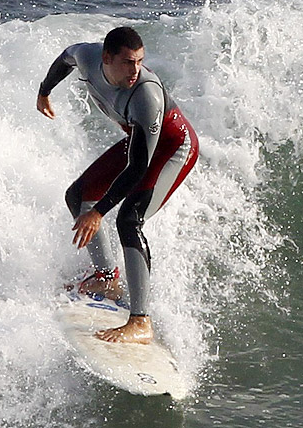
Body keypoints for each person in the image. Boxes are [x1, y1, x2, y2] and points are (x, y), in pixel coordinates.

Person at [37, 27, 198, 344]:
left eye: (139, 61)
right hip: (141, 140)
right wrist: (44, 91)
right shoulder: (88, 57)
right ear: (107, 58)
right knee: (78, 196)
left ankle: (140, 322)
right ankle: (107, 279)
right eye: (127, 62)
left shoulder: (145, 94)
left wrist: (98, 213)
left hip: (173, 147)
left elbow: (138, 167)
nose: (134, 70)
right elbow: (66, 57)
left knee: (129, 219)